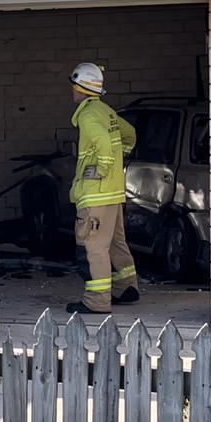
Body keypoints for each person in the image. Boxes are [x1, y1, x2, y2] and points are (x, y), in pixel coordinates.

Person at [66, 63, 140, 314]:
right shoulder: (106, 111)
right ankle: (126, 287)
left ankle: (97, 300)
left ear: (81, 87)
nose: (72, 91)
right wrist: (119, 160)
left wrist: (101, 169)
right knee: (116, 241)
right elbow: (130, 134)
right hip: (114, 193)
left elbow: (105, 145)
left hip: (96, 194)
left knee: (93, 245)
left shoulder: (88, 115)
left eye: (73, 86)